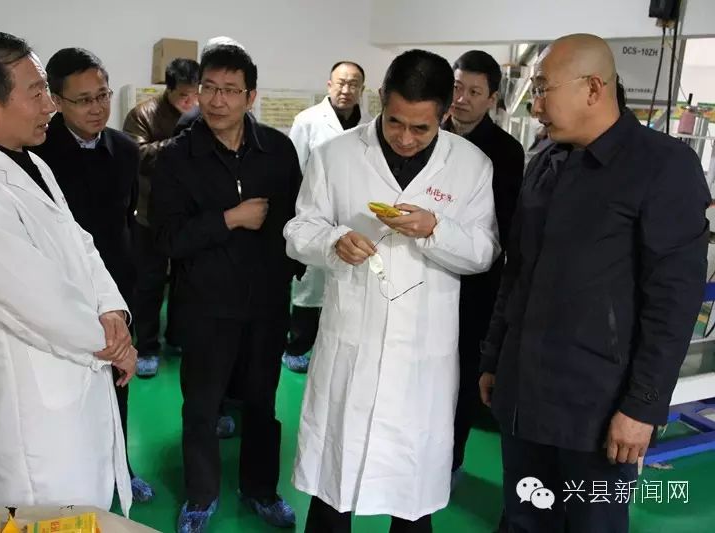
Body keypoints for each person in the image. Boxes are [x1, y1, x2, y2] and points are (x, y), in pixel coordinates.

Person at [479, 34, 710, 533]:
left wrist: (642, 407)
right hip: (525, 394)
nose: (535, 105)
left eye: (543, 89)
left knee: (593, 523)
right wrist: (496, 358)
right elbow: (516, 272)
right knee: (524, 518)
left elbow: (672, 302)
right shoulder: (547, 162)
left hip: (599, 409)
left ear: (592, 88)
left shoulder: (663, 167)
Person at [285, 49, 500, 532]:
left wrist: (435, 229)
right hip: (351, 341)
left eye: (421, 128)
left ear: (444, 112)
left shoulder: (471, 166)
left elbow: (484, 252)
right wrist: (333, 241)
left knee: (412, 495)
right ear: (381, 98)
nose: (405, 137)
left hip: (422, 353)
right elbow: (298, 231)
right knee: (333, 486)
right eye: (395, 121)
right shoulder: (336, 155)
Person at [0, 31, 135, 514]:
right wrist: (114, 344)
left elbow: (81, 244)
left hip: (82, 370)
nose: (50, 106)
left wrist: (112, 310)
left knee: (90, 509)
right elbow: (38, 305)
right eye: (37, 92)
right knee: (48, 515)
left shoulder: (30, 161)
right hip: (37, 412)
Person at [150, 42, 301, 533]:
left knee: (262, 403)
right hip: (206, 305)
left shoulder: (277, 151)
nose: (217, 101)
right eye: (209, 88)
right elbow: (167, 237)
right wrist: (229, 219)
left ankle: (261, 489)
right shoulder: (177, 156)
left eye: (230, 90)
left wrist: (289, 273)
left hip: (265, 304)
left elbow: (298, 222)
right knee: (201, 405)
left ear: (251, 96)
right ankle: (201, 495)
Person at [30, 47, 154, 503]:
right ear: (56, 101)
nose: (97, 107)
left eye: (103, 95)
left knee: (117, 380)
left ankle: (121, 467)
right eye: (83, 100)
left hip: (116, 287)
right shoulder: (36, 153)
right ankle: (77, 479)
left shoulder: (125, 149)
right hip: (61, 292)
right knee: (67, 389)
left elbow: (124, 219)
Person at [441, 50, 525, 484]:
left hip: (475, 285)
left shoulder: (506, 153)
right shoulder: (428, 135)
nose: (462, 99)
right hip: (424, 276)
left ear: (492, 99)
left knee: (460, 377)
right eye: (457, 88)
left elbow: (505, 230)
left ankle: (451, 461)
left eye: (474, 92)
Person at [283, 60, 373, 374]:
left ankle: (331, 350)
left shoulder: (371, 126)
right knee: (310, 287)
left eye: (353, 84)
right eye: (341, 83)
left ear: (362, 89)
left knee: (346, 288)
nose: (346, 89)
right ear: (329, 85)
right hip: (316, 215)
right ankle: (297, 346)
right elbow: (293, 170)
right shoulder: (308, 121)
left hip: (354, 218)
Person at [123, 58, 199, 378]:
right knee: (149, 283)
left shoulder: (204, 114)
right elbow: (136, 156)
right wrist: (180, 143)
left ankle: (178, 337)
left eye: (195, 94)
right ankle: (147, 346)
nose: (190, 101)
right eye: (183, 95)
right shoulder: (143, 114)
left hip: (188, 215)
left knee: (186, 281)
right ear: (168, 89)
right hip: (149, 213)